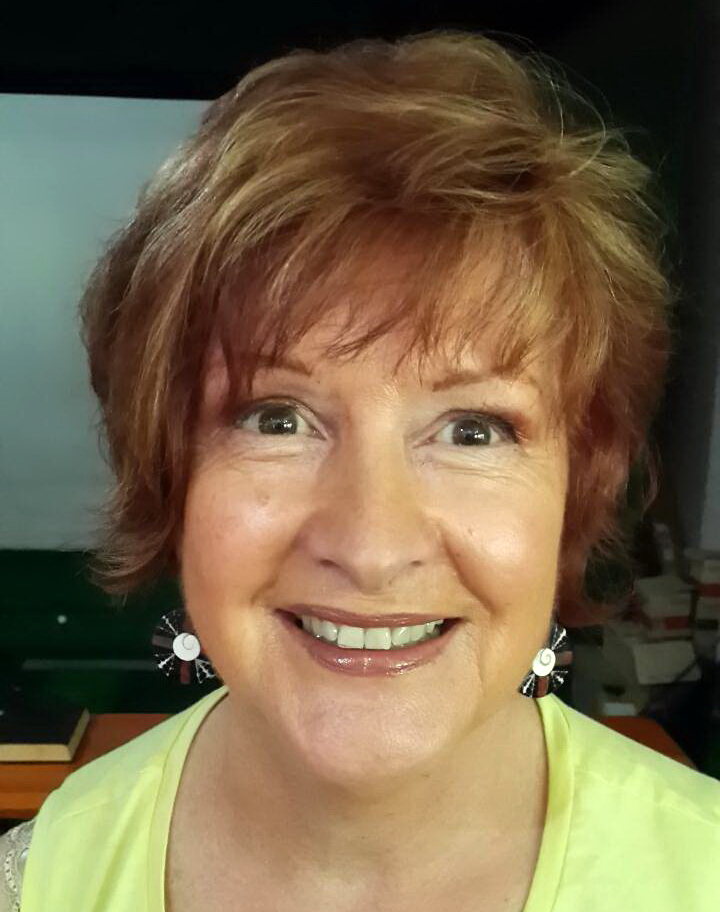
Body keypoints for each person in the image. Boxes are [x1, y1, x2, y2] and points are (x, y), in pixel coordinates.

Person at [2, 28, 719, 912]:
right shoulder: (40, 880)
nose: (372, 546)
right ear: (168, 469)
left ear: (580, 478)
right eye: (277, 419)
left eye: (472, 430)